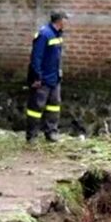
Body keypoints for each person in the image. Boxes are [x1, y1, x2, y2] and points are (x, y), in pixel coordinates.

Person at [26, 11, 67, 144]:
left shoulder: (58, 34)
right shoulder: (44, 34)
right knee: (36, 108)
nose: (67, 22)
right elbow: (36, 58)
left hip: (55, 78)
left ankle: (51, 132)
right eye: (65, 19)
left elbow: (57, 57)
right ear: (59, 21)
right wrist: (37, 77)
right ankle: (32, 135)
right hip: (43, 79)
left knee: (54, 106)